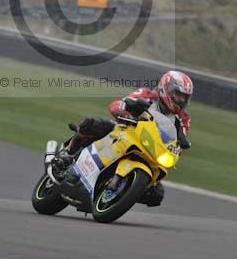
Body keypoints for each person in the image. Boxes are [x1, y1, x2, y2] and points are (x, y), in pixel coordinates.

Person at [58, 70, 193, 207]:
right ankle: (67, 153)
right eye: (178, 95)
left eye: (185, 97)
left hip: (151, 148)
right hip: (125, 130)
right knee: (92, 125)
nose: (181, 100)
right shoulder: (147, 95)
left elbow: (181, 139)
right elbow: (119, 104)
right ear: (166, 88)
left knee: (156, 194)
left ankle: (123, 192)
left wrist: (179, 147)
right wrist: (122, 112)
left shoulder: (183, 118)